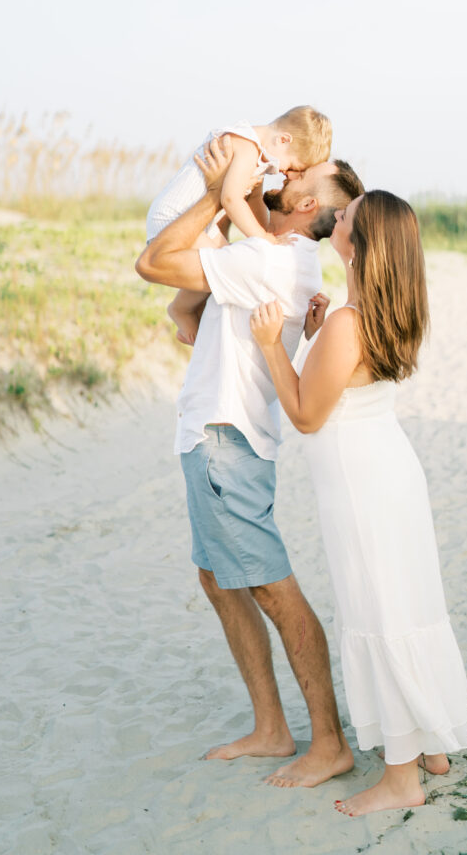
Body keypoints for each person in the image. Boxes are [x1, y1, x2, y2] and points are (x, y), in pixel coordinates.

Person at [135, 135, 364, 788]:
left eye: (300, 172)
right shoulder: (281, 253)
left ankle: (328, 742)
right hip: (220, 433)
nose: (287, 170)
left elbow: (153, 262)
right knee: (218, 578)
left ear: (309, 201)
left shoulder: (269, 259)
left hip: (225, 438)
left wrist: (214, 191)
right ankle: (271, 727)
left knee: (271, 587)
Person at [250, 190, 467, 815]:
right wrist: (314, 339)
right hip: (389, 474)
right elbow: (337, 388)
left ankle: (403, 781)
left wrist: (272, 342)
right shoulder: (378, 314)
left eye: (345, 218)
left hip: (362, 488)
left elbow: (304, 414)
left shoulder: (350, 323)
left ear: (359, 244)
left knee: (380, 611)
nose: (335, 218)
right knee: (408, 602)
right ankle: (430, 745)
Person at [146, 106, 332, 345]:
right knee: (224, 260)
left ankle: (191, 311)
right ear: (284, 139)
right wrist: (262, 239)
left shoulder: (259, 155)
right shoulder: (246, 147)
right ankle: (181, 310)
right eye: (292, 166)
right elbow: (231, 199)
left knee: (228, 257)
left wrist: (266, 233)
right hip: (173, 217)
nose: (287, 174)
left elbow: (252, 198)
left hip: (201, 221)